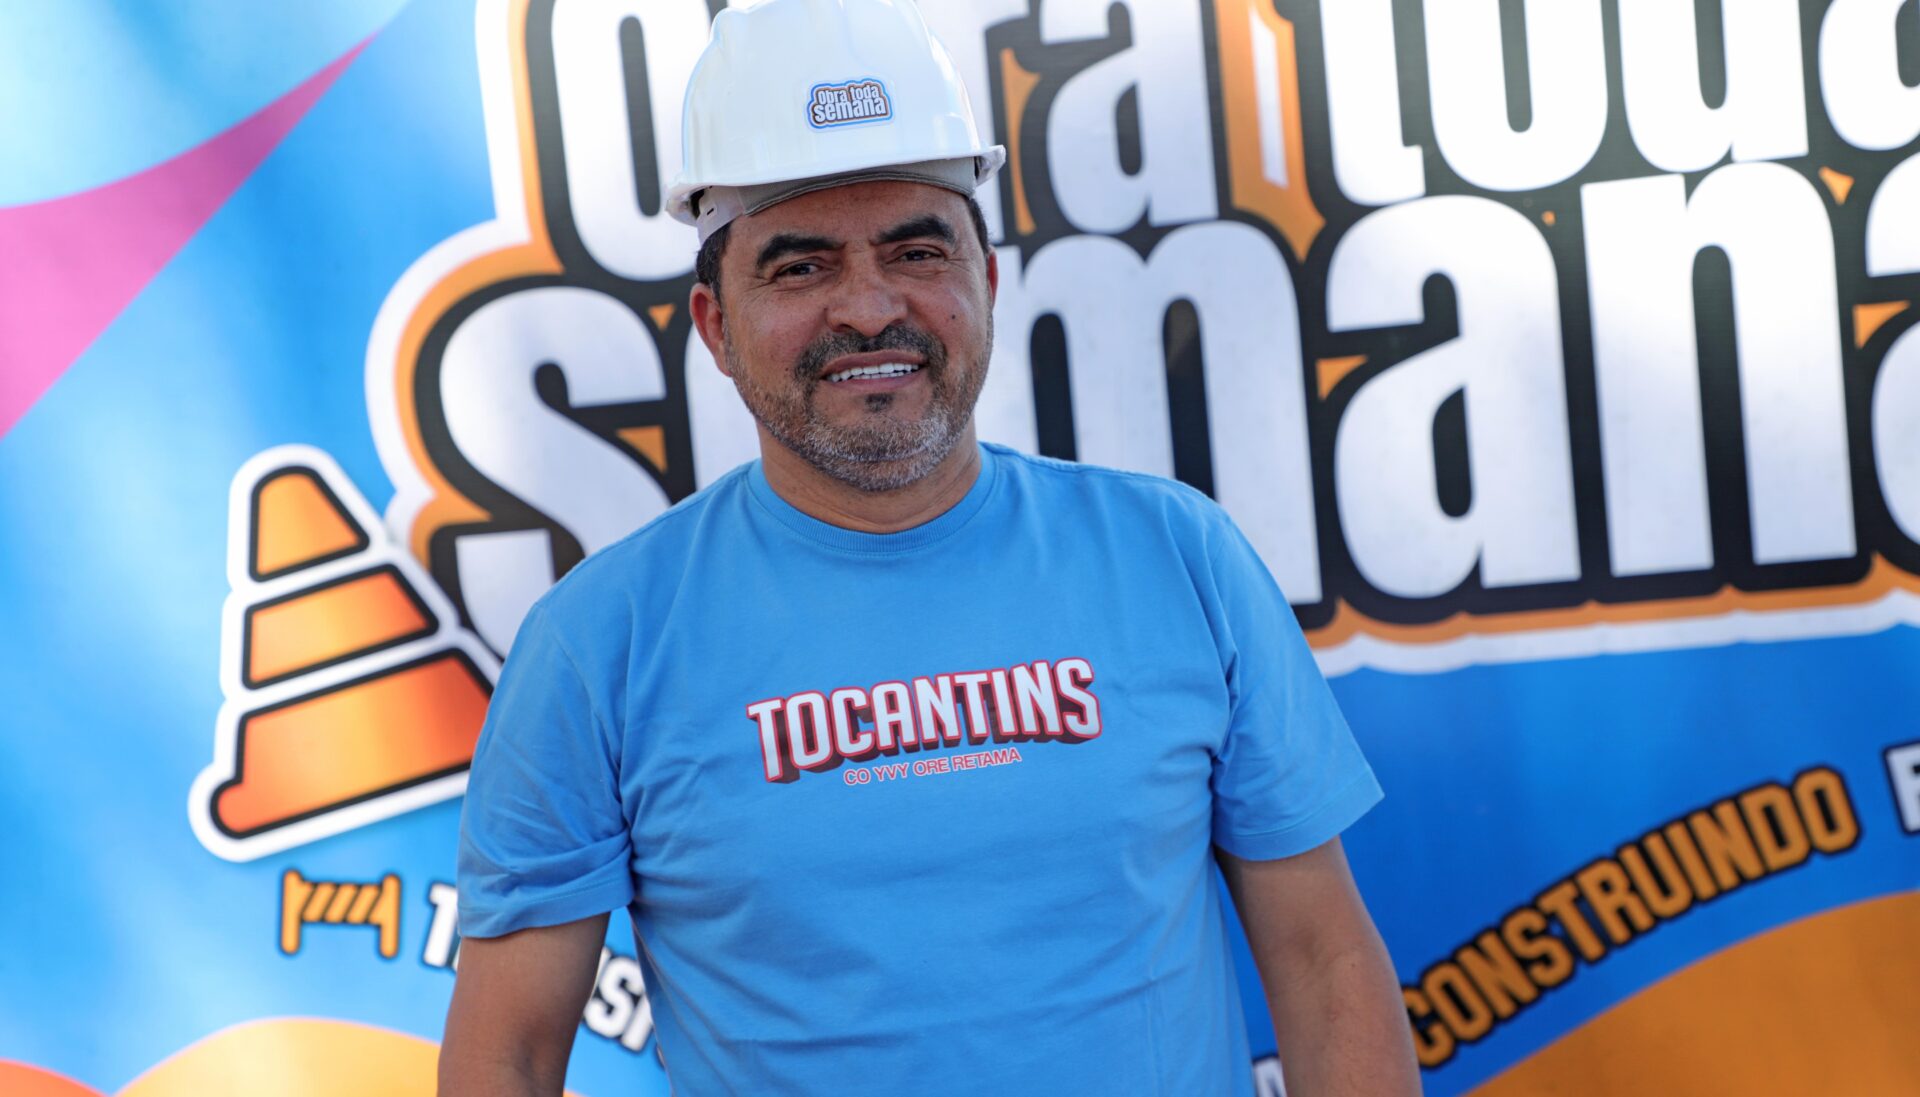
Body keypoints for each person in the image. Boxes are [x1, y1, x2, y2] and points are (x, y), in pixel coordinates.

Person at [439, 0, 1420, 1093]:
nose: (868, 309)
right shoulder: (599, 642)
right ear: (715, 325)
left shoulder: (1180, 557)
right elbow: (508, 1054)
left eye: (915, 251)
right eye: (800, 268)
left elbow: (1325, 963)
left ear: (984, 285)